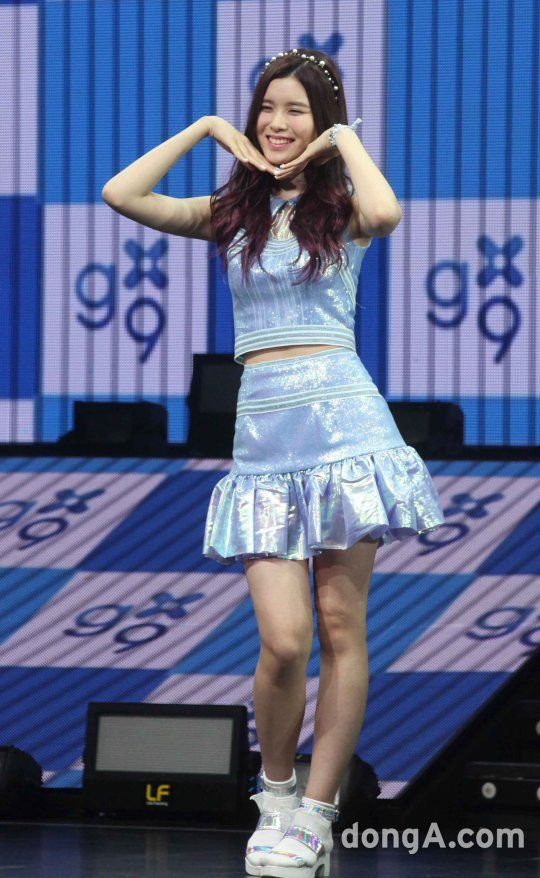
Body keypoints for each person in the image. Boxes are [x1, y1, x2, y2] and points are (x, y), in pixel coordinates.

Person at [102, 47, 444, 878]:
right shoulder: (233, 214)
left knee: (340, 628)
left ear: (320, 122)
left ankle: (317, 816)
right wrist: (207, 128)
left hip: (346, 430)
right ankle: (278, 796)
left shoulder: (342, 211)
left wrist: (343, 140)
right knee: (284, 642)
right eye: (267, 108)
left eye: (296, 110)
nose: (277, 123)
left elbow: (388, 210)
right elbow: (121, 194)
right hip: (264, 441)